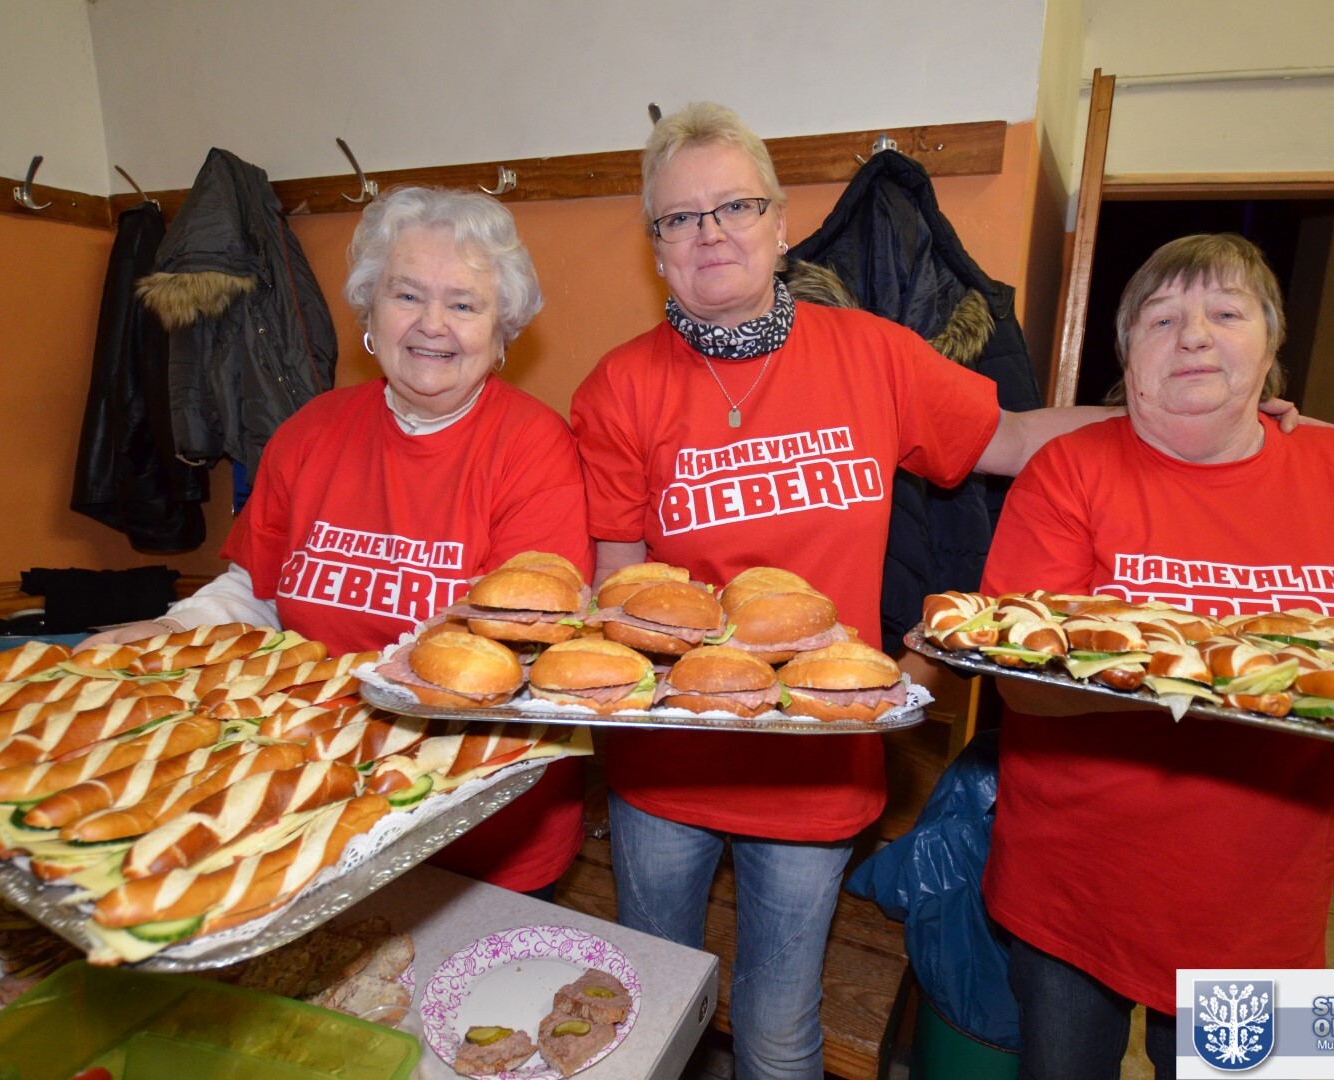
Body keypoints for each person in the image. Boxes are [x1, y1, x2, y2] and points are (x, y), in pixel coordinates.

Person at [570, 101, 1212, 1079]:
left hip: (818, 757)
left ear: (780, 224)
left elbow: (1014, 438)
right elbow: (621, 592)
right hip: (669, 763)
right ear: (655, 247)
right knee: (653, 1002)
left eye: (734, 207)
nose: (711, 234)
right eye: (680, 218)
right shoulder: (619, 387)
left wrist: (1186, 418)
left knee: (778, 1025)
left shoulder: (868, 352)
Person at [978, 233, 1334, 1080]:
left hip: (1261, 904)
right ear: (1126, 353)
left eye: (1225, 313)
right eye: (1160, 319)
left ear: (1271, 340)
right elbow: (1025, 685)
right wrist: (1233, 676)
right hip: (1075, 887)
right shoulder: (1069, 471)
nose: (1192, 336)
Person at [81, 186, 594, 897]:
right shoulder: (309, 432)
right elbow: (257, 592)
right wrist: (170, 630)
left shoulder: (533, 448)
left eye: (464, 304)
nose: (431, 324)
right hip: (307, 807)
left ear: (502, 331)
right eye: (406, 295)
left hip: (476, 826)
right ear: (369, 312)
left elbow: (522, 649)